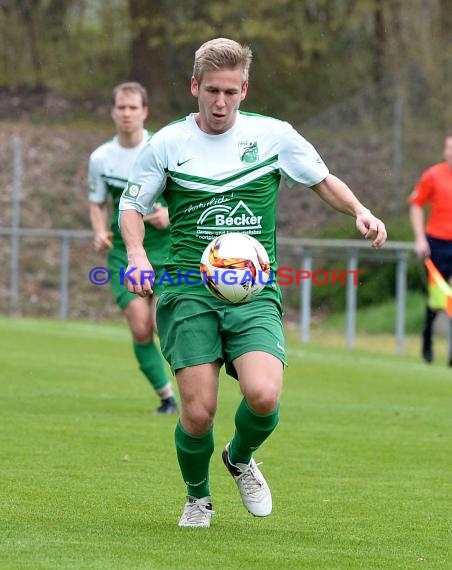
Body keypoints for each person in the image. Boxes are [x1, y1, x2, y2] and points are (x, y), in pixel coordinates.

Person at [119, 38, 387, 528]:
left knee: (264, 396)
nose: (221, 103)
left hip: (254, 289)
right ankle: (198, 498)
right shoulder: (167, 143)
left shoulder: (274, 136)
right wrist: (136, 254)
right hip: (186, 287)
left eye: (231, 92)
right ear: (194, 86)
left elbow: (321, 178)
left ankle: (239, 457)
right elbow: (132, 204)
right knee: (197, 414)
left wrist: (360, 211)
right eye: (212, 91)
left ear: (245, 89)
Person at [88, 81, 177, 414]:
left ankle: (195, 387)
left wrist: (169, 213)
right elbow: (97, 202)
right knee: (140, 326)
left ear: (145, 112)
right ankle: (167, 397)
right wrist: (99, 230)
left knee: (161, 323)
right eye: (121, 108)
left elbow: (186, 195)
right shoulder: (101, 158)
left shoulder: (162, 148)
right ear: (113, 112)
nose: (126, 114)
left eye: (133, 108)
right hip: (125, 252)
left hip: (168, 250)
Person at [409, 133, 452, 364]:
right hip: (436, 243)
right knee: (437, 300)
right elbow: (416, 205)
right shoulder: (433, 175)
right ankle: (427, 341)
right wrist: (420, 238)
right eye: (449, 148)